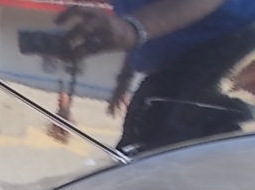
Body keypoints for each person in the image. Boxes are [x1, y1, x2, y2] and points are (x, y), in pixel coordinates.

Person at [56, 0, 255, 153]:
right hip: (187, 69)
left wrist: (133, 29)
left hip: (232, 54)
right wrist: (126, 71)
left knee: (156, 170)